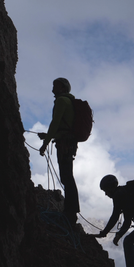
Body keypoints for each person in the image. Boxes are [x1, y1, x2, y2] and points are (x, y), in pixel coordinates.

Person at [38, 77, 80, 225]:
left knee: (67, 177)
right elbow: (62, 126)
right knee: (67, 177)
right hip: (67, 141)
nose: (52, 89)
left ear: (62, 88)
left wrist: (45, 143)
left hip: (65, 144)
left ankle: (70, 213)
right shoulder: (68, 101)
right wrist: (49, 136)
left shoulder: (62, 101)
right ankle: (71, 212)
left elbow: (55, 123)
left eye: (55, 86)